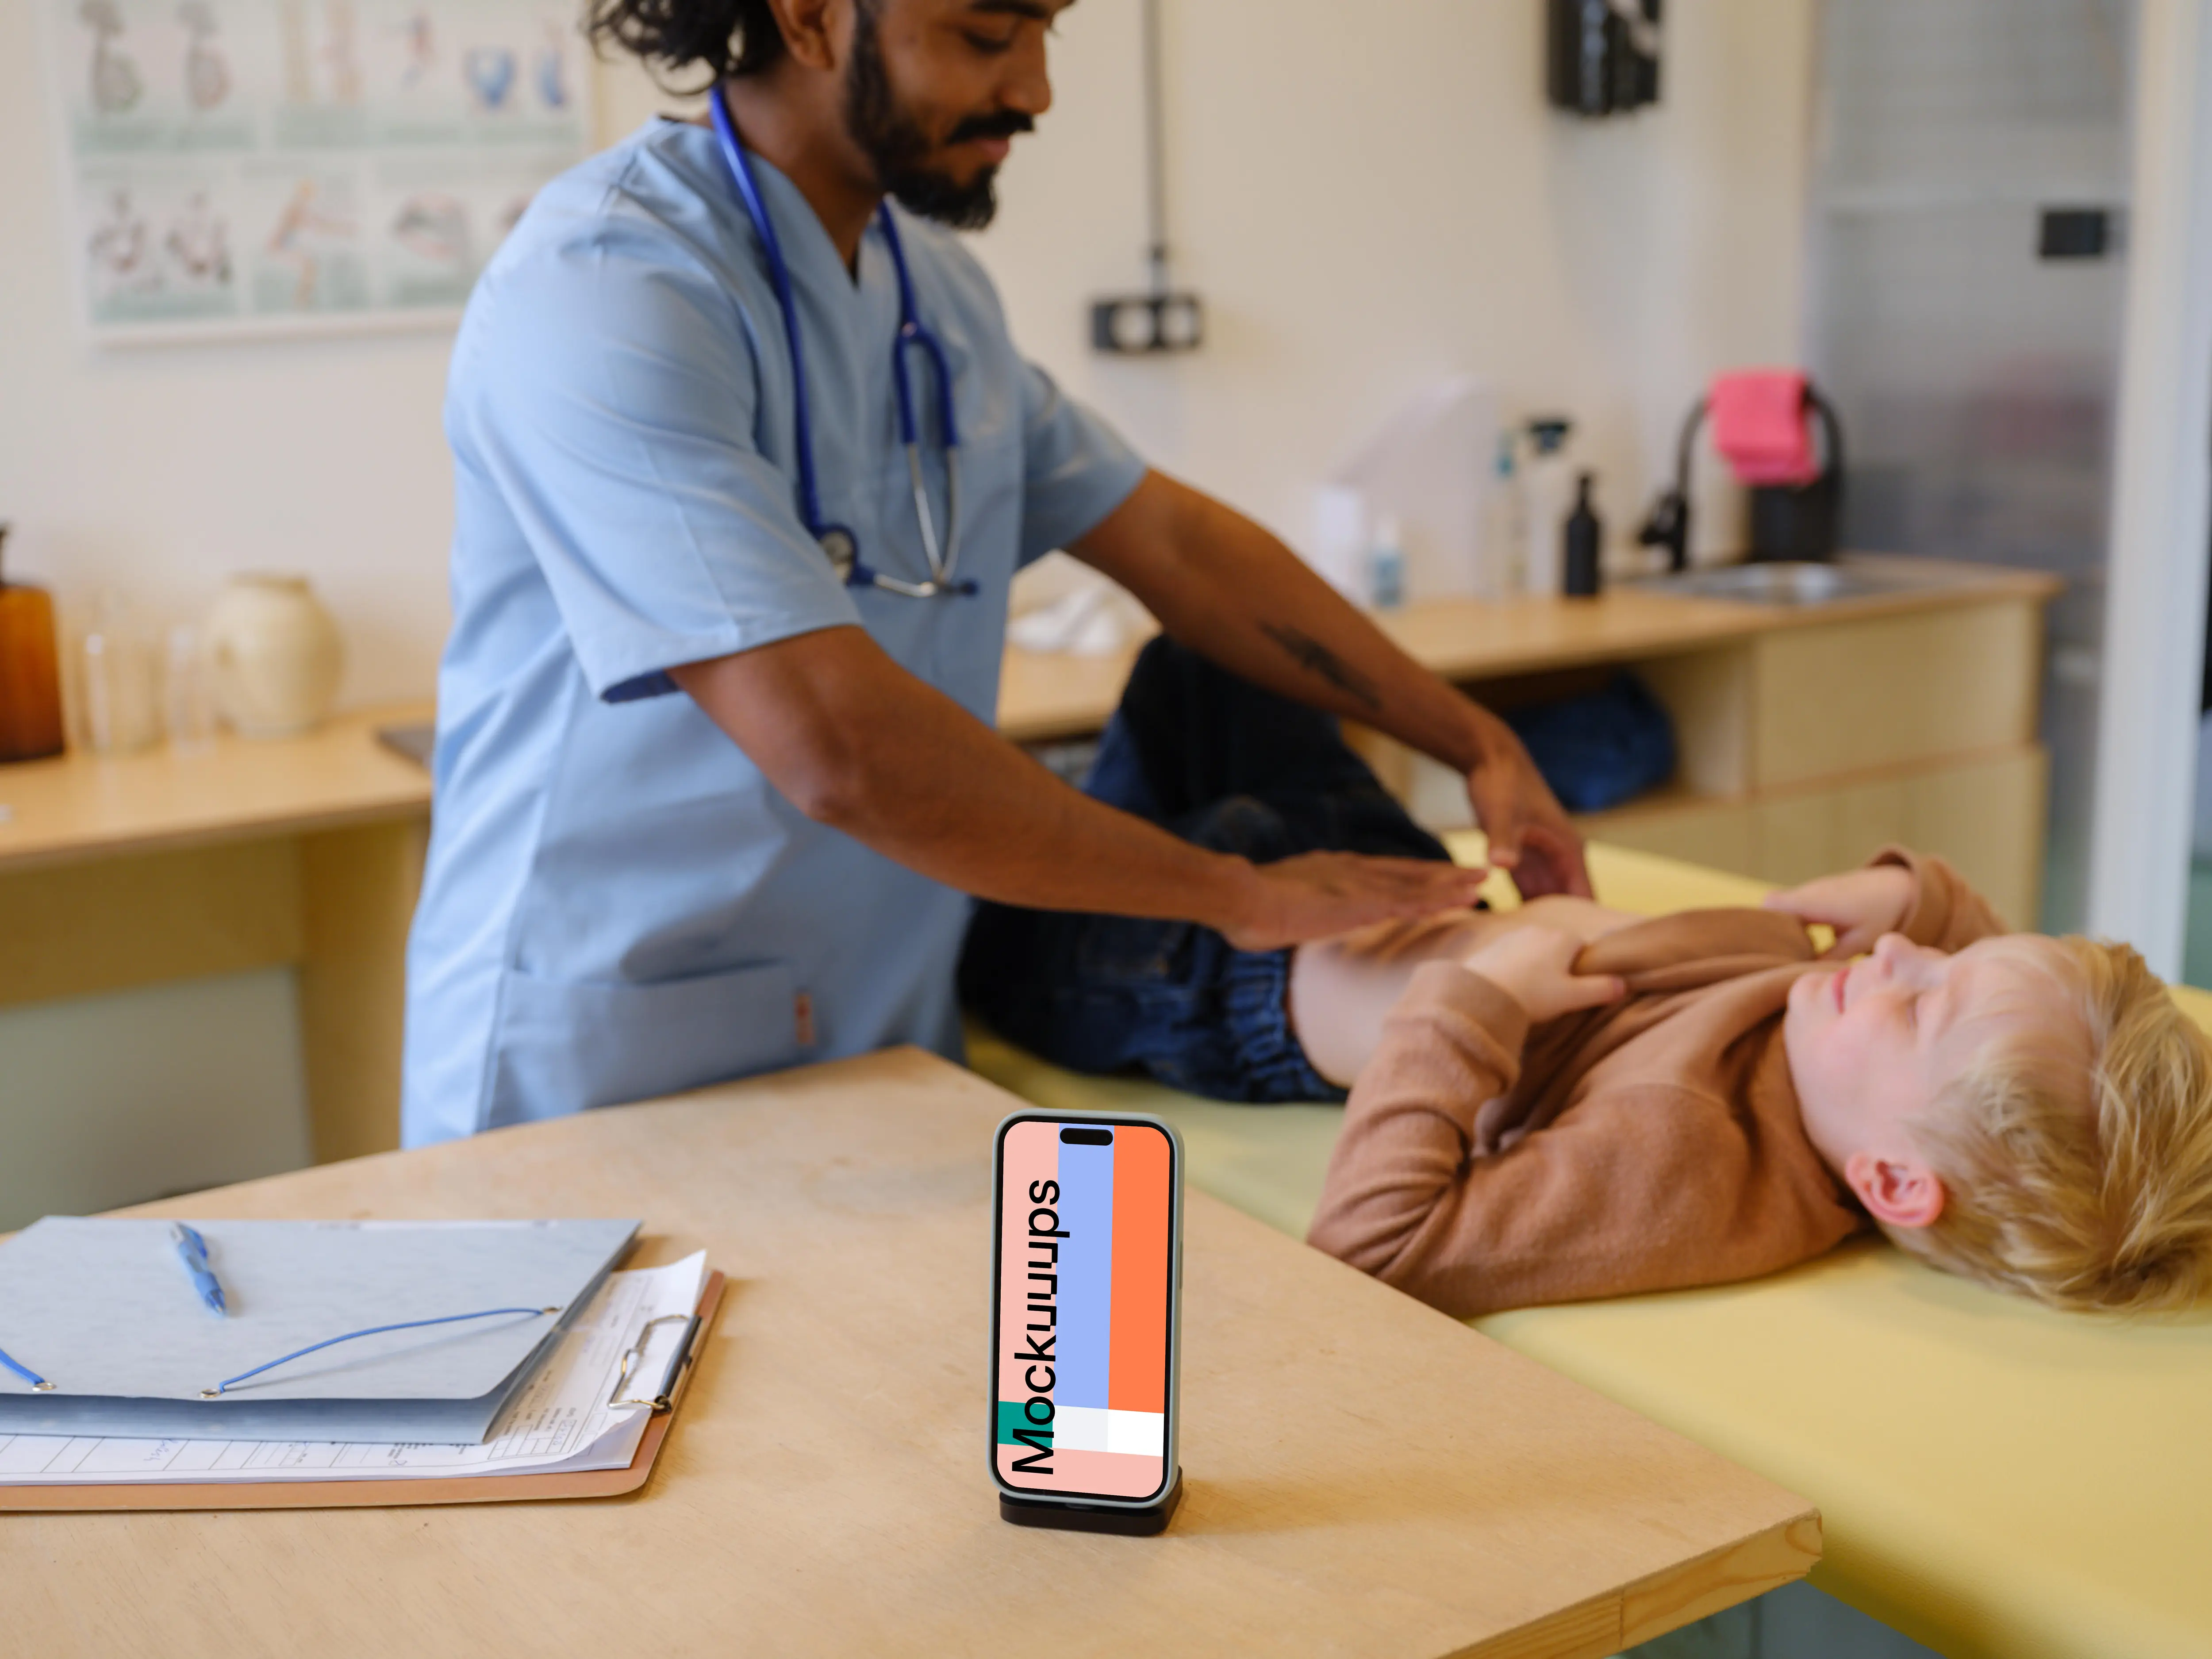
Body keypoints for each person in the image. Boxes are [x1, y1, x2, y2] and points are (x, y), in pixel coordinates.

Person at [401, 0, 1587, 1146]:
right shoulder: (610, 288)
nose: (1034, 89)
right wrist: (1237, 893)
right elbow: (835, 745)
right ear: (810, 16)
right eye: (986, 33)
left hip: (880, 1046)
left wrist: (1477, 741)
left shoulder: (938, 300)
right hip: (605, 1077)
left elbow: (1174, 548)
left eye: (1045, 33)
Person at [963, 639, 2212, 1315]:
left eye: (1923, 989)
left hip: (1209, 983)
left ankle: (1118, 832)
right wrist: (1915, 895)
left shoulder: (1684, 1169)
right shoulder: (1856, 1061)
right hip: (1386, 875)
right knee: (1212, 652)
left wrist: (1475, 1008)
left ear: (1894, 1180)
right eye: (1945, 954)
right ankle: (1134, 818)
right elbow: (1976, 963)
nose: (1896, 956)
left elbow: (1378, 1251)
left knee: (961, 885)